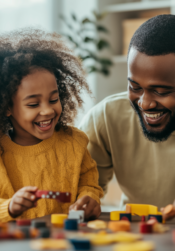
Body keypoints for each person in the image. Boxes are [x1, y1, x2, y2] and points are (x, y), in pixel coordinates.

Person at [80, 15, 175, 226]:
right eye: (135, 87)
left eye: (160, 91)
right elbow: (80, 188)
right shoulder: (106, 117)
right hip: (135, 247)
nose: (145, 103)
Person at [0, 29, 103, 223]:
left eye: (53, 99)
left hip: (67, 244)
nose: (48, 111)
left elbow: (89, 184)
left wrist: (88, 199)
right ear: (7, 107)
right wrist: (10, 207)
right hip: (16, 249)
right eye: (33, 104)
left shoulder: (74, 142)